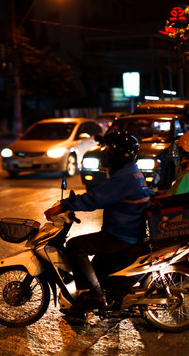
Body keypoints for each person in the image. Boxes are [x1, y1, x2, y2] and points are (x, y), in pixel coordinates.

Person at [44, 132, 150, 311]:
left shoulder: (123, 177)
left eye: (109, 150)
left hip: (121, 235)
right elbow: (105, 195)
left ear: (119, 153)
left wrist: (64, 206)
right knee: (96, 266)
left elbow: (96, 198)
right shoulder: (132, 172)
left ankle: (95, 297)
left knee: (75, 246)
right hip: (128, 231)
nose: (106, 154)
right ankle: (96, 295)